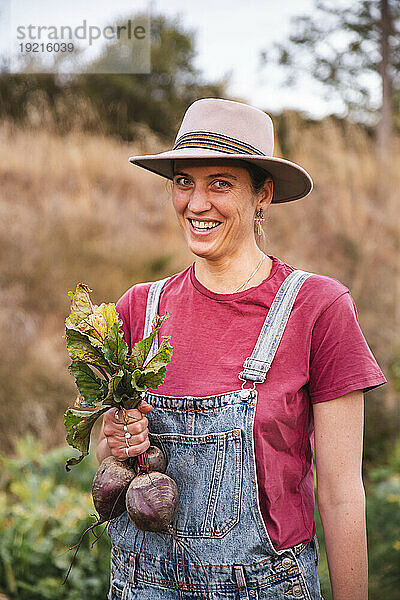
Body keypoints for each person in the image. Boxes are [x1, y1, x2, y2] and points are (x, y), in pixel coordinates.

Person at [96, 98, 387, 600]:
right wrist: (117, 444)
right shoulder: (137, 310)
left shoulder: (317, 307)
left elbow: (341, 495)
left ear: (263, 195)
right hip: (141, 586)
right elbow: (108, 464)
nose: (196, 202)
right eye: (185, 180)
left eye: (221, 183)